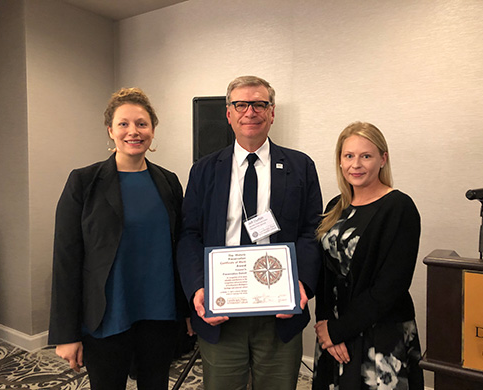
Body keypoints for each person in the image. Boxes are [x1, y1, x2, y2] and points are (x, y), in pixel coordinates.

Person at [177, 75, 323, 390]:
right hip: (222, 309)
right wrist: (198, 289)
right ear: (228, 114)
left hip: (279, 310)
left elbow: (312, 230)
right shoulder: (203, 170)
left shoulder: (300, 166)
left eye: (259, 104)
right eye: (240, 104)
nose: (250, 112)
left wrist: (302, 284)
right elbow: (189, 234)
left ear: (272, 113)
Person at [48, 87, 188, 390]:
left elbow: (180, 250)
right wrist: (66, 333)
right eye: (123, 124)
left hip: (160, 316)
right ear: (110, 130)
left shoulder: (169, 182)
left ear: (152, 130)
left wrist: (186, 311)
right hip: (107, 317)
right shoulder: (83, 182)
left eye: (141, 123)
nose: (133, 131)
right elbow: (66, 259)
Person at [313, 122, 424, 389]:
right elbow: (325, 274)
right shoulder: (335, 207)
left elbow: (391, 286)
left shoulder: (399, 207)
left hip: (380, 334)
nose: (356, 164)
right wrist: (324, 324)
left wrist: (338, 331)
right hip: (335, 333)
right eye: (349, 156)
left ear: (383, 159)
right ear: (339, 161)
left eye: (366, 156)